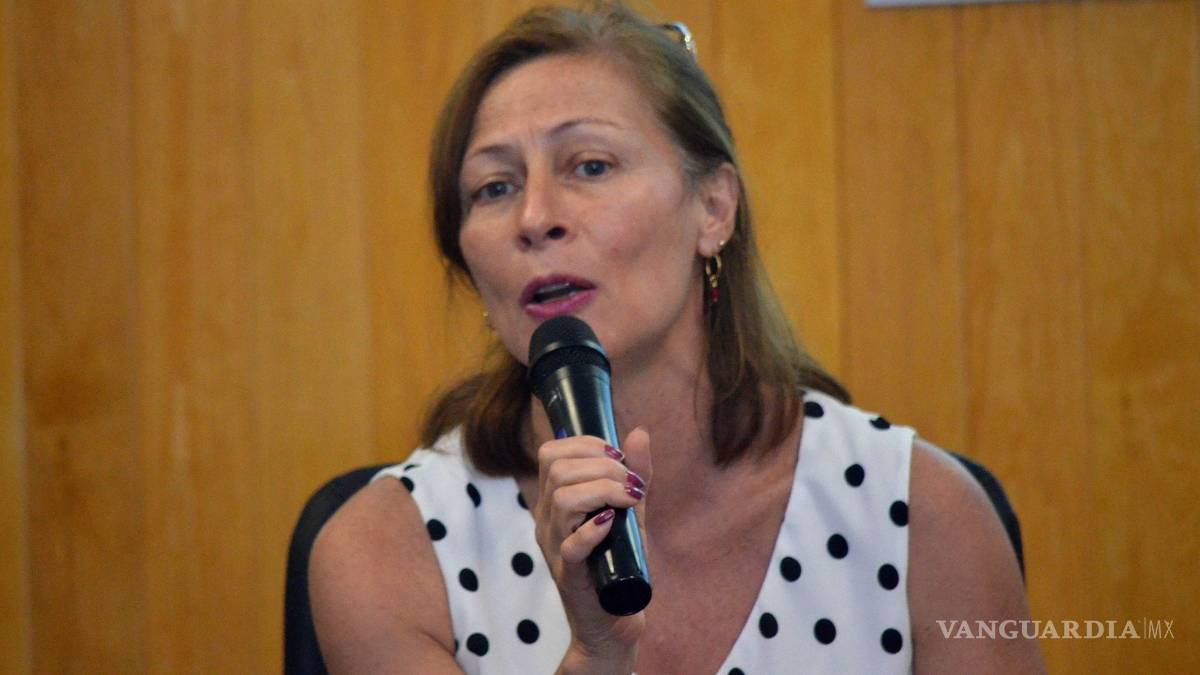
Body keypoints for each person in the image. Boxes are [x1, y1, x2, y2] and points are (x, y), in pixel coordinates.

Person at [308, 3, 1043, 673]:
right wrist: (597, 656)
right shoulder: (383, 553)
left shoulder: (924, 513)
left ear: (714, 208)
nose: (534, 217)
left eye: (590, 165)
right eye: (494, 187)